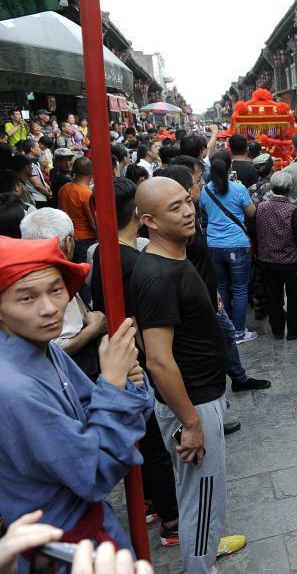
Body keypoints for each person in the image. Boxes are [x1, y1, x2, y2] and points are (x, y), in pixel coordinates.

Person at [0, 235, 149, 573]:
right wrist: (113, 383)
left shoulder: (44, 346)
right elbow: (94, 470)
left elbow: (96, 410)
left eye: (56, 290)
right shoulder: (13, 388)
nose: (50, 308)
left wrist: (123, 385)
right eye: (27, 298)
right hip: (63, 555)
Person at [130, 177, 247, 573]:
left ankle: (204, 552)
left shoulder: (176, 258)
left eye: (186, 202)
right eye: (174, 208)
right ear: (150, 221)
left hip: (201, 396)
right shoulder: (157, 275)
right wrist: (191, 422)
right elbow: (158, 361)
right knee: (202, 501)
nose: (187, 212)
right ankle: (201, 566)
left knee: (201, 495)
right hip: (193, 404)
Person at [87, 178, 180, 547]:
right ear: (141, 217)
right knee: (154, 443)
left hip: (120, 358)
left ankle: (150, 502)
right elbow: (143, 325)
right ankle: (173, 521)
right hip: (135, 364)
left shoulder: (103, 255)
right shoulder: (136, 262)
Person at [161, 164, 269, 397]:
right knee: (236, 298)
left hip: (209, 285)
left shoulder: (199, 209)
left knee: (226, 331)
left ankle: (236, 379)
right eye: (197, 182)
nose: (200, 185)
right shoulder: (180, 228)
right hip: (201, 295)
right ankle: (215, 392)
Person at [20, 208, 106, 378]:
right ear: (68, 243)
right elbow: (55, 345)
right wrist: (93, 329)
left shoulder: (22, 278)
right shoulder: (53, 282)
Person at [201, 155, 257, 342]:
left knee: (222, 287)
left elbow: (204, 211)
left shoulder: (205, 191)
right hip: (237, 245)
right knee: (240, 289)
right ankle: (240, 332)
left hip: (214, 245)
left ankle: (227, 331)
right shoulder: (238, 188)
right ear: (229, 168)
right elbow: (252, 212)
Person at [255, 171, 297, 340]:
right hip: (290, 261)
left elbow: (256, 231)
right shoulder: (293, 210)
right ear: (289, 189)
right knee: (294, 296)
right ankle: (295, 331)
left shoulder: (261, 207)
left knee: (273, 296)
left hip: (267, 259)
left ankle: (277, 330)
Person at [56, 156, 96, 264]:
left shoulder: (64, 188)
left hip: (69, 239)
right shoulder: (87, 193)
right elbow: (93, 224)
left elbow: (61, 214)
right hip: (86, 240)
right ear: (92, 172)